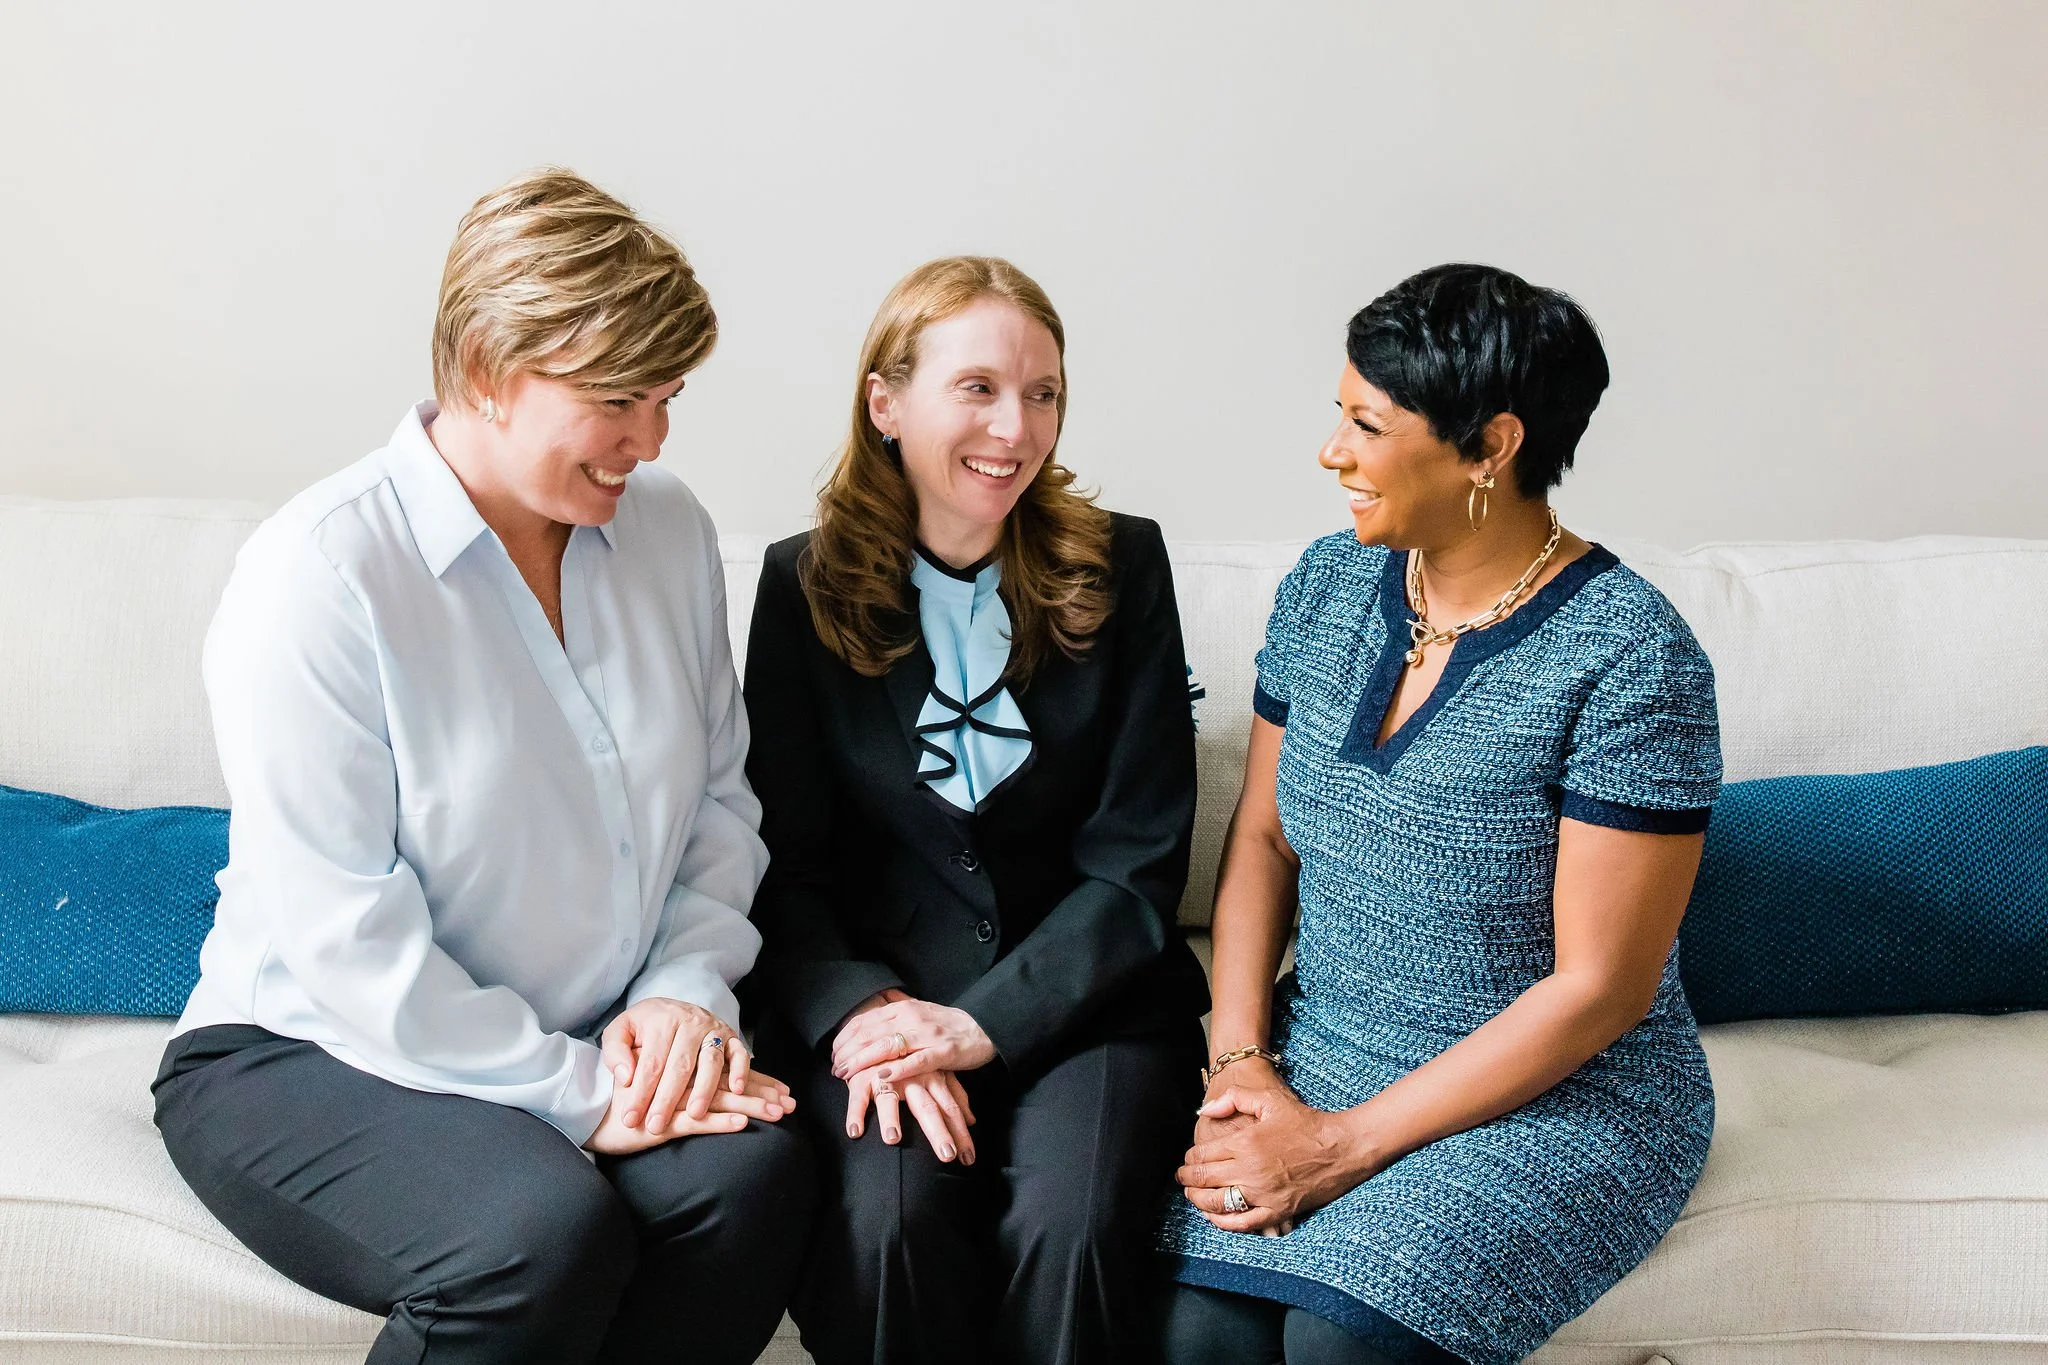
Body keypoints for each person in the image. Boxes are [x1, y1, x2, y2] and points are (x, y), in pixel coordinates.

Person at [152, 168, 813, 1365]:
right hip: (311, 1048)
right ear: (482, 372)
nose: (651, 440)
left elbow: (719, 808)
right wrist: (584, 1097)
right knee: (531, 1232)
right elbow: (345, 934)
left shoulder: (666, 532)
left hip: (603, 1023)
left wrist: (681, 995)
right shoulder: (322, 576)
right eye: (617, 398)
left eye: (666, 396)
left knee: (750, 1177)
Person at [1157, 264, 1723, 1365]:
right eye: (1338, 416)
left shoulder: (1630, 658)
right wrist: (1238, 1065)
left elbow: (1597, 989)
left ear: (1490, 446)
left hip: (1556, 1104)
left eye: (1366, 425)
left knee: (1337, 1348)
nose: (1332, 452)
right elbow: (1264, 841)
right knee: (1192, 1339)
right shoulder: (1326, 587)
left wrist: (1338, 1149)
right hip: (1314, 1060)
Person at [741, 256, 1211, 1363]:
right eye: (979, 388)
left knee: (1075, 1231)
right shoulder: (795, 586)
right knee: (886, 1228)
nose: (1016, 426)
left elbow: (1136, 862)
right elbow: (781, 863)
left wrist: (984, 1023)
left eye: (1042, 391)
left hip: (1091, 1008)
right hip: (882, 1012)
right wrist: (863, 1016)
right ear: (885, 401)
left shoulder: (1123, 563)